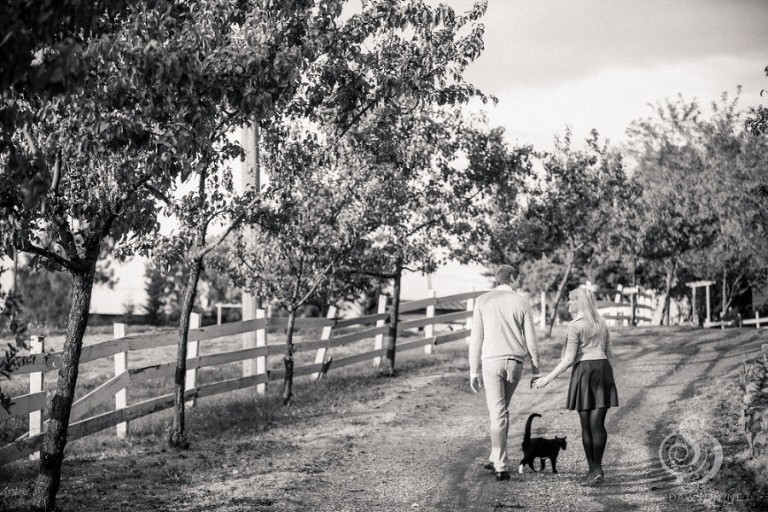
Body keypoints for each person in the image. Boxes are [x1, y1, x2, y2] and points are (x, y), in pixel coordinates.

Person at [533, 287, 619, 486]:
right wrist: (609, 379)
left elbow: (569, 359)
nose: (568, 303)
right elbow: (610, 355)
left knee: (587, 426)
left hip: (584, 373)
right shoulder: (601, 323)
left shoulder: (575, 326)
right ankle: (595, 469)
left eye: (571, 300)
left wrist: (547, 379)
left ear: (579, 302)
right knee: (597, 425)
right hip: (603, 371)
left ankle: (594, 470)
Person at [469, 264, 541, 481]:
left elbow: (476, 339)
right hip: (515, 362)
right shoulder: (521, 301)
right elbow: (531, 339)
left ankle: (500, 465)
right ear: (511, 277)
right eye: (518, 278)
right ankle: (495, 457)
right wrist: (536, 369)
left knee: (498, 412)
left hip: (491, 362)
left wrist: (473, 371)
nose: (520, 282)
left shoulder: (482, 301)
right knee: (501, 411)